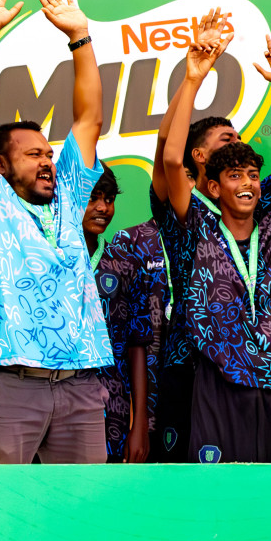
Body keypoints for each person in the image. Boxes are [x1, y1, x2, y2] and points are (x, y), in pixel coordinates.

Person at [0, 0, 111, 464]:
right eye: (32, 155)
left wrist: (80, 38)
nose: (46, 162)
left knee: (83, 523)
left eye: (48, 153)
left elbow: (88, 120)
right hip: (6, 384)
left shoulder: (69, 195)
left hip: (80, 385)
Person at [149, 8, 271, 461]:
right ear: (202, 167)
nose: (243, 172)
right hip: (201, 366)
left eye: (250, 169)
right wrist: (193, 76)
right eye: (227, 143)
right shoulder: (192, 215)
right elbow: (167, 158)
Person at [86, 169, 166, 463]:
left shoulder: (124, 264)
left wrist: (140, 424)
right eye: (93, 198)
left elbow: (137, 347)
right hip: (58, 398)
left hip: (113, 404)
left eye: (108, 199)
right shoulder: (51, 259)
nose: (103, 208)